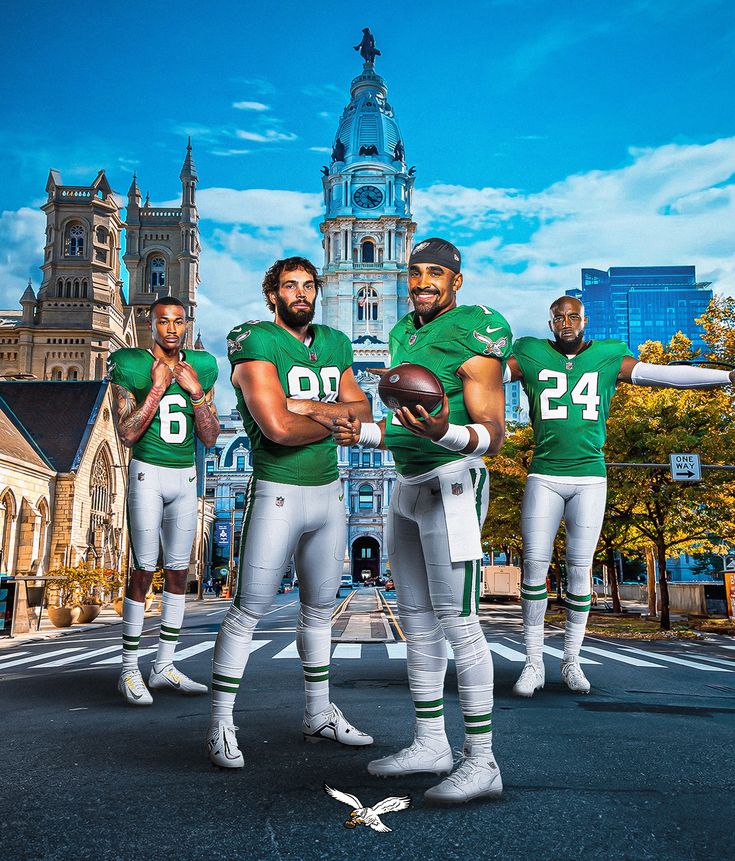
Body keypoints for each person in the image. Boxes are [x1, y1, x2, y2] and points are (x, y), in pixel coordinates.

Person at [334, 237, 511, 803]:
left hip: (453, 480)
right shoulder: (402, 333)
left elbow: (492, 434)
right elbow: (404, 424)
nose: (423, 281)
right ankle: (430, 742)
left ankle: (482, 761)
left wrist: (445, 433)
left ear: (456, 280)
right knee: (416, 619)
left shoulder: (475, 330)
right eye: (416, 272)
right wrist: (358, 432)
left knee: (459, 622)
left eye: (436, 272)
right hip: (408, 485)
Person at [506, 295, 735, 697]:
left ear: (585, 319)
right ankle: (532, 662)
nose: (566, 322)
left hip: (591, 478)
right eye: (558, 317)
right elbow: (481, 375)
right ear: (549, 321)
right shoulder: (528, 351)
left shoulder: (610, 355)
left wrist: (726, 378)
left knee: (580, 570)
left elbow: (664, 375)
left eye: (573, 315)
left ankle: (571, 661)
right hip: (543, 474)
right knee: (533, 570)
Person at [207, 256, 374, 768]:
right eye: (289, 285)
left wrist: (305, 408)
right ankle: (219, 723)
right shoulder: (254, 340)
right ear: (272, 293)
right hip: (278, 488)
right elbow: (277, 429)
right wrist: (334, 417)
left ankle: (318, 713)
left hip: (329, 493)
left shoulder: (335, 343)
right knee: (249, 609)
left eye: (307, 285)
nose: (300, 293)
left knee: (320, 610)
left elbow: (363, 413)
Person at [108, 296, 219, 706]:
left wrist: (196, 394)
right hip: (147, 472)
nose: (171, 328)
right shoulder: (130, 362)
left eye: (178, 321)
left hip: (185, 476)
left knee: (177, 572)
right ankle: (128, 669)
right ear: (150, 323)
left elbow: (209, 436)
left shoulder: (203, 367)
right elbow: (126, 432)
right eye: (163, 321)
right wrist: (157, 388)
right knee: (142, 569)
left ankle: (164, 665)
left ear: (187, 325)